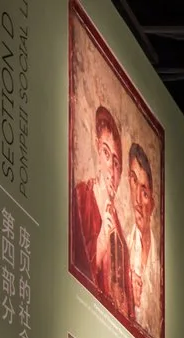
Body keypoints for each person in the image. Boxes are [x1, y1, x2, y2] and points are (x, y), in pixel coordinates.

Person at [71, 106, 125, 297]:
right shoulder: (81, 197)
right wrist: (101, 241)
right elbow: (77, 265)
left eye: (116, 163)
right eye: (106, 153)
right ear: (97, 148)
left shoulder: (119, 230)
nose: (111, 168)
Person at [120, 143, 160, 332]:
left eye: (144, 192)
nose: (137, 200)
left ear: (152, 203)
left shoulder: (159, 269)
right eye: (134, 181)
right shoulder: (123, 248)